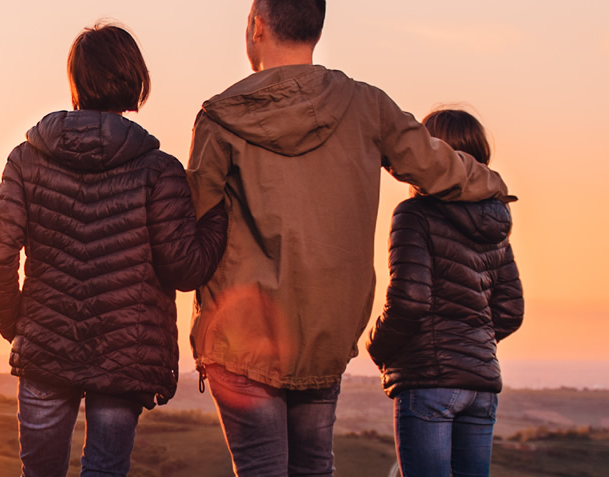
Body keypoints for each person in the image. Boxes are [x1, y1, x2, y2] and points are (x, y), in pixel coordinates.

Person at [185, 1, 514, 475]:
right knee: (316, 468)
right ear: (316, 29)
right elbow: (438, 167)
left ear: (256, 27)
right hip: (326, 333)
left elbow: (195, 225)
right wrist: (494, 185)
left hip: (243, 341)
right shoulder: (367, 106)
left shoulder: (220, 118)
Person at [0, 20, 228, 477]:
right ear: (135, 81)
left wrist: (16, 324)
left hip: (45, 352)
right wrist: (218, 214)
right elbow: (185, 269)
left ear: (76, 81)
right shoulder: (160, 171)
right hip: (125, 358)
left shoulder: (25, 159)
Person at [366, 108, 523, 477]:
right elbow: (510, 311)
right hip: (480, 384)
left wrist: (377, 347)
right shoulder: (496, 222)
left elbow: (410, 301)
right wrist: (470, 341)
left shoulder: (414, 214)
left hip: (428, 379)